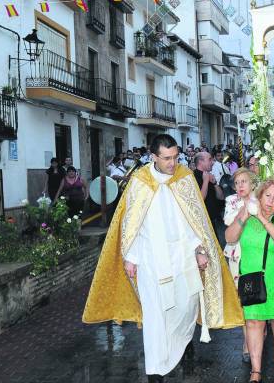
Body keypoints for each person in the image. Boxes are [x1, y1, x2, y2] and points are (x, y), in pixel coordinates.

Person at [82, 134, 243, 382]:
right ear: (154, 156)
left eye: (175, 157)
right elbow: (131, 223)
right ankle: (155, 371)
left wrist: (200, 249)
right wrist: (131, 257)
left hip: (183, 257)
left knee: (186, 306)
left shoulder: (185, 178)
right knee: (156, 315)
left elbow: (195, 221)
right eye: (166, 158)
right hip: (151, 260)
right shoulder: (140, 182)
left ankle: (184, 342)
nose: (172, 163)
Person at [226, 178, 274, 382]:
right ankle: (256, 369)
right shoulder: (246, 213)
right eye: (267, 196)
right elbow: (230, 238)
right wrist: (244, 216)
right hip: (251, 278)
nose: (270, 201)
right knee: (254, 321)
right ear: (260, 195)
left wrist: (263, 219)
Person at [222, 167, 257, 364]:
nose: (239, 186)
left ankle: (260, 330)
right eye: (236, 183)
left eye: (244, 181)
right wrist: (244, 210)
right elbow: (228, 221)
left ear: (252, 183)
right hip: (237, 257)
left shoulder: (260, 200)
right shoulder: (231, 201)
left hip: (257, 256)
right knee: (244, 300)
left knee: (258, 296)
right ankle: (247, 342)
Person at [194, 152, 225, 242]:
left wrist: (215, 183)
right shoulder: (193, 177)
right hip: (203, 223)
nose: (213, 162)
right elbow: (200, 200)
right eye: (210, 159)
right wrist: (206, 181)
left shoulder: (209, 175)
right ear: (201, 162)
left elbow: (221, 197)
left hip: (214, 221)